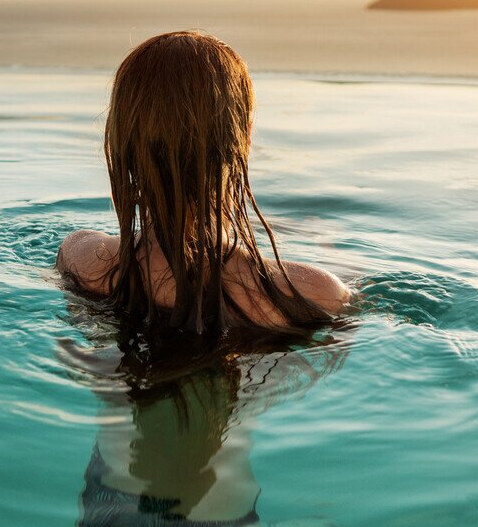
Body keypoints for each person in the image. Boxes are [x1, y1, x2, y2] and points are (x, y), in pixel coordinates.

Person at [56, 29, 351, 334]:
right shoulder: (314, 294)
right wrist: (330, 251)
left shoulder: (80, 257)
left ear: (120, 141)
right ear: (245, 138)